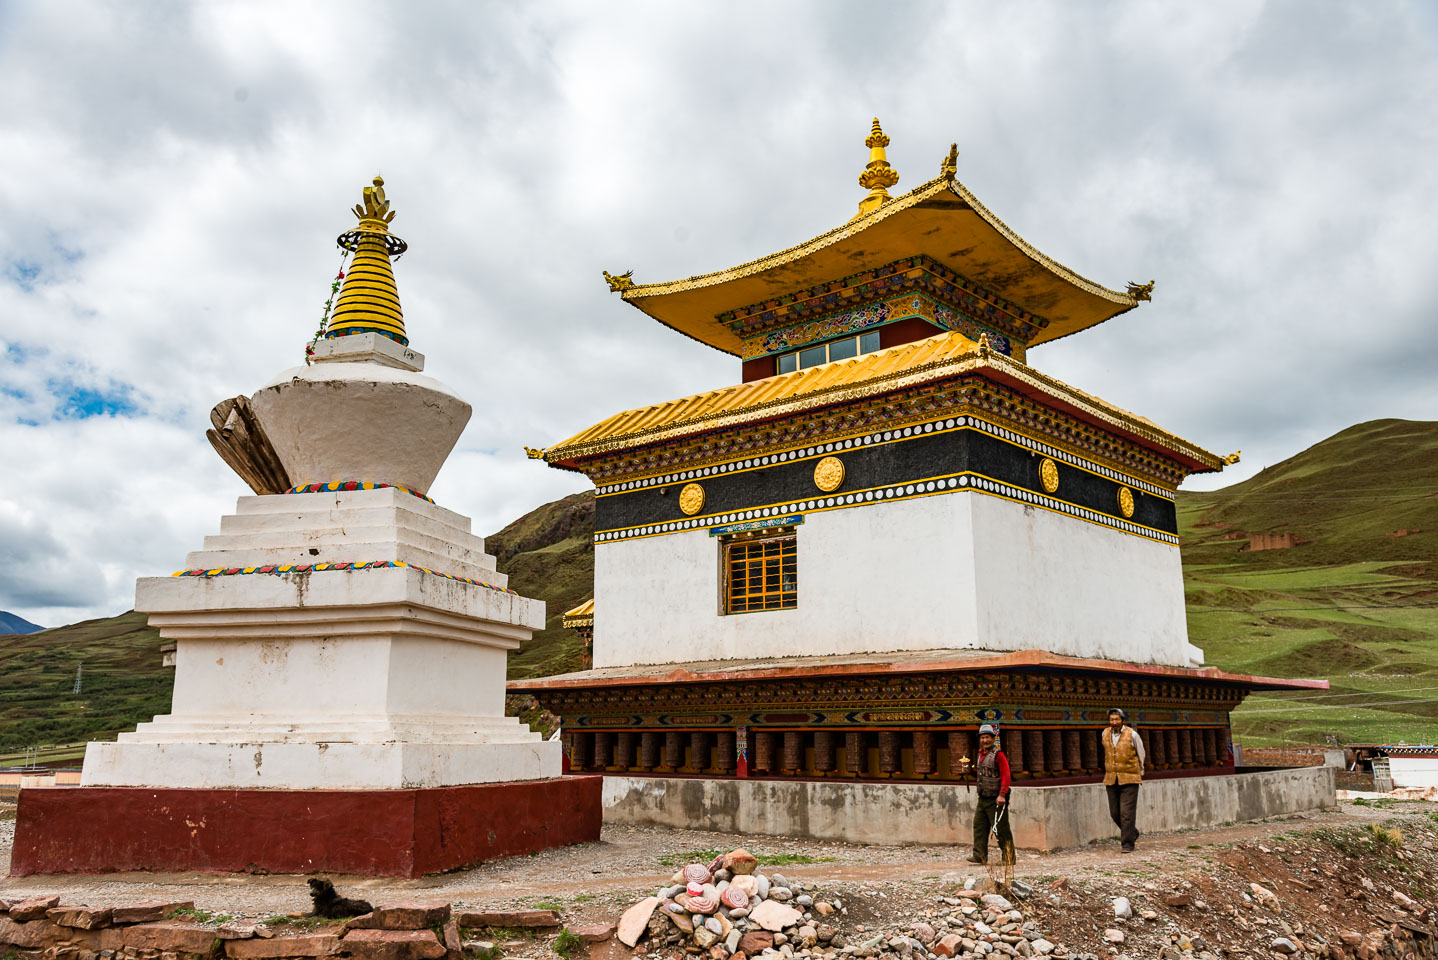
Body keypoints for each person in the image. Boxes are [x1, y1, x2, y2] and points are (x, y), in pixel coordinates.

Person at [966, 723, 1014, 865]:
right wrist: (969, 771)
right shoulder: (980, 754)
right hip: (983, 797)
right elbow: (983, 774)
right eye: (983, 737)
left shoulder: (998, 755)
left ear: (993, 739)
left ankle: (1009, 857)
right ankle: (979, 856)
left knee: (1000, 828)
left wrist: (1002, 794)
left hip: (996, 798)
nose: (985, 740)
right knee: (979, 826)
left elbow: (1006, 775)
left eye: (987, 737)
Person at [1102, 708, 1145, 852]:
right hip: (1111, 778)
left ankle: (1127, 844)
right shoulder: (1105, 733)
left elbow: (1141, 753)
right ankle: (1132, 832)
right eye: (1112, 720)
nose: (1114, 722)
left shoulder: (1132, 735)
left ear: (1123, 720)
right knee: (1114, 813)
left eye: (1117, 719)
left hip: (1129, 778)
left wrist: (1140, 771)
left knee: (1126, 813)